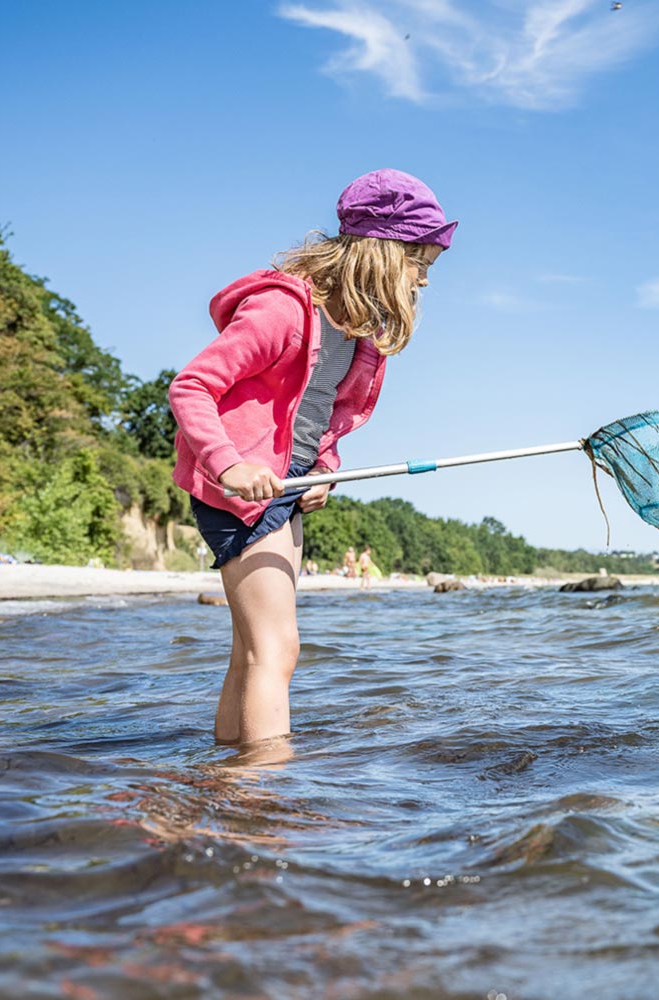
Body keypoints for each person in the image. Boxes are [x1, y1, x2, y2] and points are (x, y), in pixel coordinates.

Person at [168, 168, 456, 745]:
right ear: (382, 253)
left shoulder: (356, 330)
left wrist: (322, 467)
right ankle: (268, 797)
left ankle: (233, 785)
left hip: (288, 484)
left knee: (253, 651)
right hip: (241, 488)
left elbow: (318, 413)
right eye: (417, 265)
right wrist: (228, 465)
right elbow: (191, 387)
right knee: (277, 647)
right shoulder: (282, 311)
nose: (422, 283)